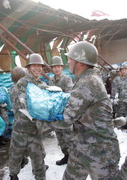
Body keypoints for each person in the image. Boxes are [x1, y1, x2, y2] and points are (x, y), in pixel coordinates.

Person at [49, 41, 120, 179]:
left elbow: (66, 120)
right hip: (82, 145)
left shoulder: (87, 83)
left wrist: (38, 118)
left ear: (80, 62)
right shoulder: (85, 79)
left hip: (100, 151)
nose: (68, 61)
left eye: (70, 58)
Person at [8, 53, 49, 180]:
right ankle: (13, 175)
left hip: (35, 131)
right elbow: (23, 104)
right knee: (15, 156)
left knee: (38, 160)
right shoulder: (22, 83)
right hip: (21, 129)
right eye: (34, 66)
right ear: (29, 67)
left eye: (39, 66)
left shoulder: (42, 85)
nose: (37, 68)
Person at [49, 56, 74, 166]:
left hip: (64, 114)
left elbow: (69, 95)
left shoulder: (67, 79)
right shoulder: (51, 80)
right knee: (60, 138)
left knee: (69, 137)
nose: (57, 69)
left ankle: (74, 159)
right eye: (54, 67)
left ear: (62, 68)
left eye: (58, 66)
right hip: (56, 114)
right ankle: (67, 156)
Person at [8, 66, 29, 170]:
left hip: (17, 120)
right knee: (34, 145)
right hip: (27, 121)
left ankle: (21, 161)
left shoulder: (12, 88)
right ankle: (39, 165)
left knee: (17, 145)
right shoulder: (23, 90)